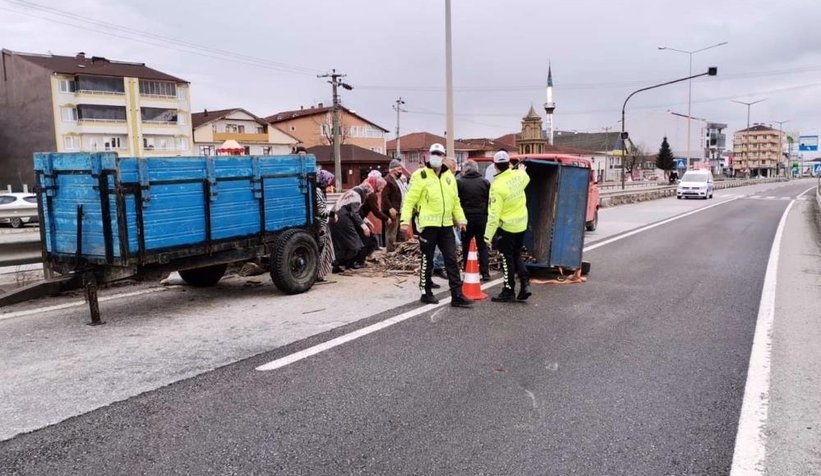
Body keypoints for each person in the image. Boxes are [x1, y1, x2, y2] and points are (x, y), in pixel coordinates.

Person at [400, 143, 473, 308]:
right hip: (428, 225)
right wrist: (405, 221)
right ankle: (426, 292)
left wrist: (461, 220)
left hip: (446, 225)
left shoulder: (449, 178)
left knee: (451, 260)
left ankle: (457, 295)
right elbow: (409, 200)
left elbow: (455, 201)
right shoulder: (420, 175)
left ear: (443, 157)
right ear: (429, 154)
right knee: (428, 260)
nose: (436, 156)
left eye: (439, 154)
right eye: (434, 153)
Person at [484, 150, 531, 302]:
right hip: (521, 224)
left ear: (495, 167)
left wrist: (487, 236)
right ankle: (525, 284)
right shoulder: (520, 176)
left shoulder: (497, 186)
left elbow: (493, 215)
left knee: (507, 259)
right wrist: (520, 169)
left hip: (507, 228)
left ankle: (508, 291)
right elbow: (525, 176)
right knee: (517, 255)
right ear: (509, 163)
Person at [457, 159, 491, 281]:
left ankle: (468, 270)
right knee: (482, 245)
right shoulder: (485, 183)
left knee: (466, 245)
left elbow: (457, 201)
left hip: (466, 218)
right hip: (482, 217)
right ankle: (485, 272)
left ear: (465, 170)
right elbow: (489, 201)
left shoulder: (459, 183)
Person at [330, 183, 373, 272]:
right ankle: (345, 263)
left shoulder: (347, 193)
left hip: (333, 218)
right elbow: (354, 213)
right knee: (355, 245)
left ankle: (338, 265)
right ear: (364, 192)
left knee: (339, 245)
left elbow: (334, 207)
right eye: (367, 194)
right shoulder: (356, 196)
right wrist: (364, 227)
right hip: (343, 218)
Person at [355, 171, 389, 266]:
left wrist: (366, 221)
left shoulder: (367, 190)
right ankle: (359, 262)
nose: (382, 189)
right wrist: (387, 218)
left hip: (359, 218)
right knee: (370, 241)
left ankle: (359, 260)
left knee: (367, 240)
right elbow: (375, 211)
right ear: (377, 185)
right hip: (356, 219)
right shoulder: (371, 194)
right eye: (382, 187)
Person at [315, 169, 336, 281]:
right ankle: (319, 274)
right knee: (322, 250)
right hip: (321, 225)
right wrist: (332, 213)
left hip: (321, 224)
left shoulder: (317, 190)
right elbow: (320, 210)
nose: (329, 184)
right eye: (328, 181)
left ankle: (319, 273)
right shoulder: (318, 192)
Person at [381, 159, 404, 252]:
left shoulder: (397, 180)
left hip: (398, 209)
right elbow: (385, 197)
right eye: (399, 169)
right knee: (391, 233)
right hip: (391, 211)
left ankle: (396, 250)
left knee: (397, 232)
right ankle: (390, 251)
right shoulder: (387, 180)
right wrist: (390, 208)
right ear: (393, 170)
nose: (400, 172)